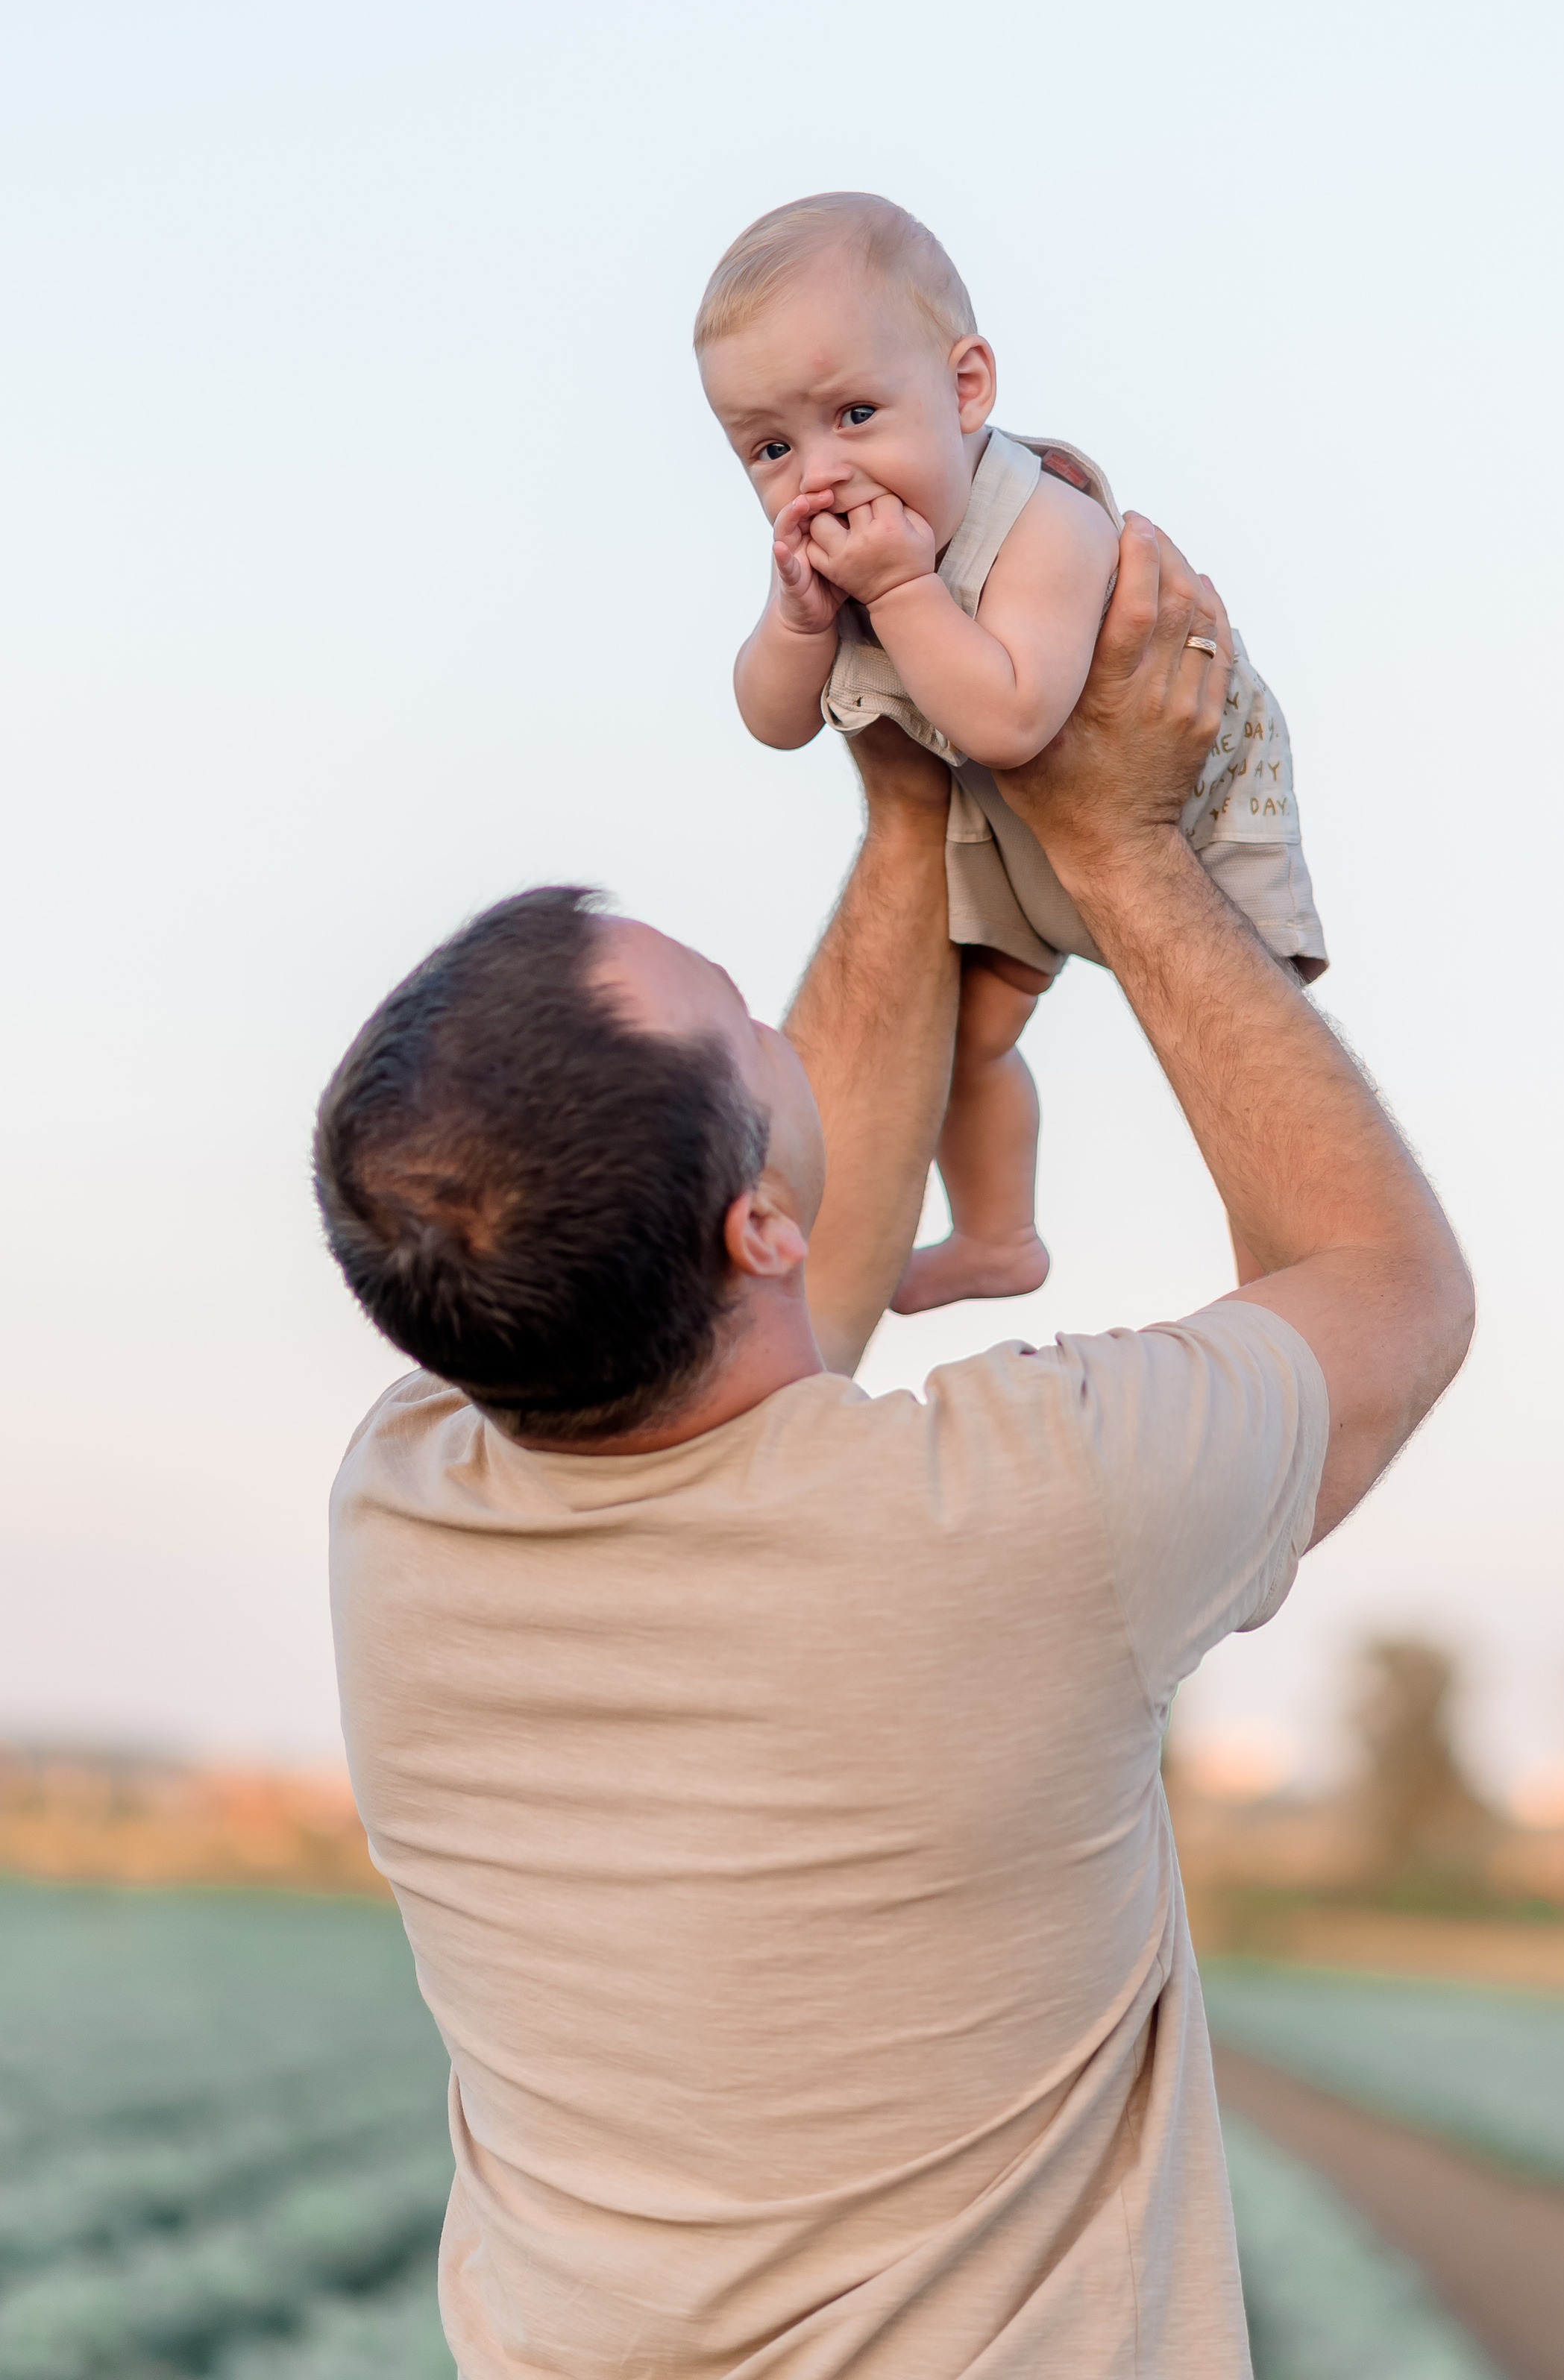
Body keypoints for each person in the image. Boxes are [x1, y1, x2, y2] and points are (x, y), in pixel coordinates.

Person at [316, 522, 1472, 2380]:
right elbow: (1388, 1292)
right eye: (732, 1014)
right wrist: (1115, 840)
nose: (772, 1020)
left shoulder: (409, 1505)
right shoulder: (1019, 1520)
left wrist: (902, 816)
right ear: (750, 1223)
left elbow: (788, 1267)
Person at [706, 192, 1327, 1315]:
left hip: (1192, 812)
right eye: (772, 447)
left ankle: (1293, 1283)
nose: (818, 475)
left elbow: (1008, 718)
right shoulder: (844, 554)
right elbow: (772, 718)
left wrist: (897, 592)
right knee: (962, 1050)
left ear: (966, 389)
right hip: (1021, 827)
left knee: (1247, 1064)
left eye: (855, 413)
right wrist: (799, 627)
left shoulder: (1043, 522)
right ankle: (1000, 1238)